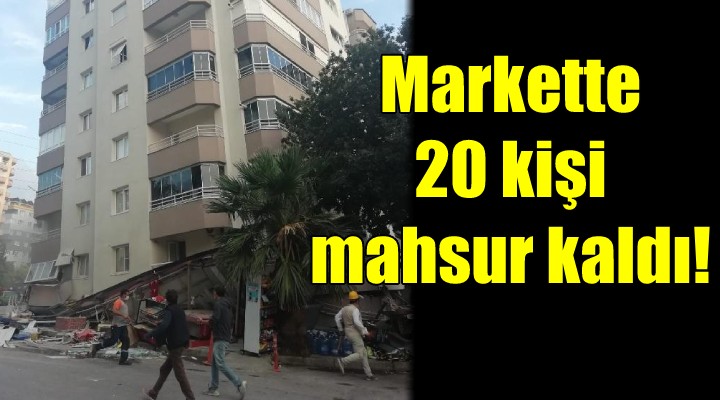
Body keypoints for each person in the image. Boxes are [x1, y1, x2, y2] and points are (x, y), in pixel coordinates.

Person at [142, 289, 196, 400]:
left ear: (166, 300)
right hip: (181, 342)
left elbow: (164, 326)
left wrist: (150, 334)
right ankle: (153, 393)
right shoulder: (180, 310)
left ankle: (190, 398)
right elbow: (180, 325)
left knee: (180, 374)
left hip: (175, 345)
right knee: (164, 369)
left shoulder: (169, 310)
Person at [202, 286, 247, 398]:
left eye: (213, 293)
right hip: (225, 335)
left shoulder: (218, 304)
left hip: (220, 337)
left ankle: (239, 383)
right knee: (215, 363)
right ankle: (213, 388)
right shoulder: (227, 305)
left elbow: (215, 319)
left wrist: (206, 322)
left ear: (216, 293)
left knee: (220, 363)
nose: (213, 294)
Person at [335, 290, 377, 380]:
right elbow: (357, 322)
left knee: (363, 352)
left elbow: (337, 318)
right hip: (354, 333)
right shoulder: (355, 310)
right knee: (360, 354)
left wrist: (341, 329)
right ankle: (343, 361)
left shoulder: (344, 309)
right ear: (357, 300)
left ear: (350, 300)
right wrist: (365, 332)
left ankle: (369, 374)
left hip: (348, 332)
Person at [91, 289, 133, 365]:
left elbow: (125, 314)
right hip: (116, 326)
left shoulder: (124, 303)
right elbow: (114, 310)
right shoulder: (118, 301)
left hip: (123, 325)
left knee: (126, 341)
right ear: (123, 294)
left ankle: (123, 360)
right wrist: (123, 315)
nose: (128, 296)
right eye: (127, 294)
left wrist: (128, 318)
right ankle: (97, 347)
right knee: (112, 341)